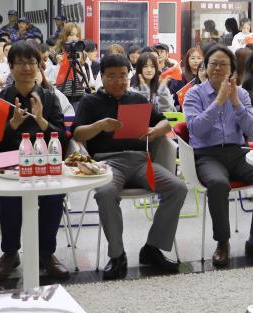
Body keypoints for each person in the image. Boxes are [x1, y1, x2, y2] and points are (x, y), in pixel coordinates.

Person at [73, 54, 187, 280]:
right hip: (107, 162)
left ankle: (152, 248)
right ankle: (117, 255)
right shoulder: (90, 102)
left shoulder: (138, 99)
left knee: (177, 188)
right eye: (112, 76)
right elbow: (77, 134)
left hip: (140, 161)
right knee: (106, 193)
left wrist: (156, 130)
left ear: (129, 76)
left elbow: (166, 121)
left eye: (123, 76)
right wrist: (99, 126)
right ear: (102, 77)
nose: (118, 81)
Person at [183, 45, 253, 268]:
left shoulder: (241, 93)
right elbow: (196, 129)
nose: (218, 68)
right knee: (218, 183)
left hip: (237, 152)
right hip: (207, 155)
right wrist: (218, 102)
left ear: (232, 69)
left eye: (223, 64)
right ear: (205, 67)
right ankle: (222, 242)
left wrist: (235, 102)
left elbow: (251, 129)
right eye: (213, 64)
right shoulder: (194, 94)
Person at [0, 41, 71, 282]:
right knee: (10, 199)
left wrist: (41, 121)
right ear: (10, 67)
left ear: (39, 66)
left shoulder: (50, 98)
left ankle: (46, 253)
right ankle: (10, 253)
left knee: (53, 197)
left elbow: (63, 138)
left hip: (44, 163)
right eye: (20, 63)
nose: (27, 68)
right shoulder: (0, 98)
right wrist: (12, 124)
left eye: (32, 62)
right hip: (10, 166)